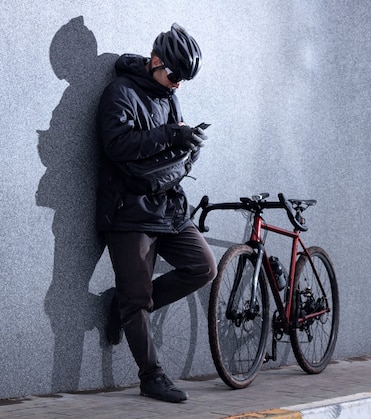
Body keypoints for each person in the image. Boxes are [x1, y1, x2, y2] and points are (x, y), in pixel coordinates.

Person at [96, 23, 217, 403]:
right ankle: (151, 376)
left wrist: (187, 141)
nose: (178, 85)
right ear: (155, 61)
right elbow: (118, 145)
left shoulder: (168, 94)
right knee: (138, 301)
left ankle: (125, 303)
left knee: (203, 267)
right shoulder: (120, 93)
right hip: (130, 211)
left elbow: (169, 140)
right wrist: (171, 136)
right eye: (175, 75)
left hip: (168, 206)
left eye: (184, 80)